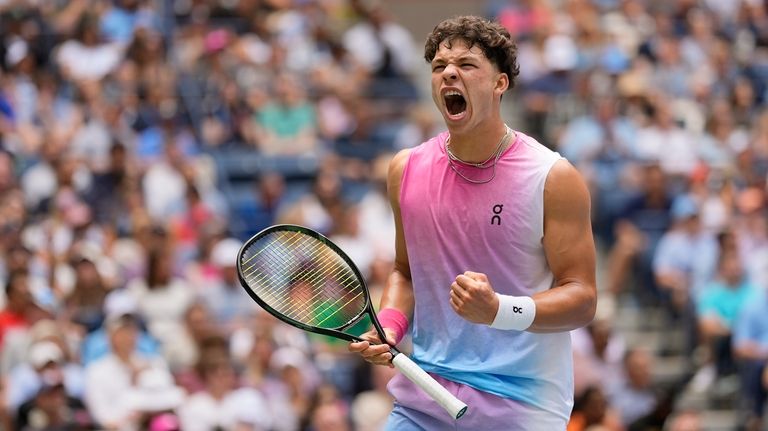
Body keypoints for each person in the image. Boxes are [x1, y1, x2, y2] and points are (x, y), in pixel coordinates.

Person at [348, 15, 596, 430]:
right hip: (426, 394)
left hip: (520, 402)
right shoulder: (405, 169)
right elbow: (405, 271)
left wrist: (500, 310)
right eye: (439, 66)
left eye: (466, 64)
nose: (448, 72)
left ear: (500, 84)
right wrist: (389, 325)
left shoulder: (552, 177)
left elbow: (583, 297)